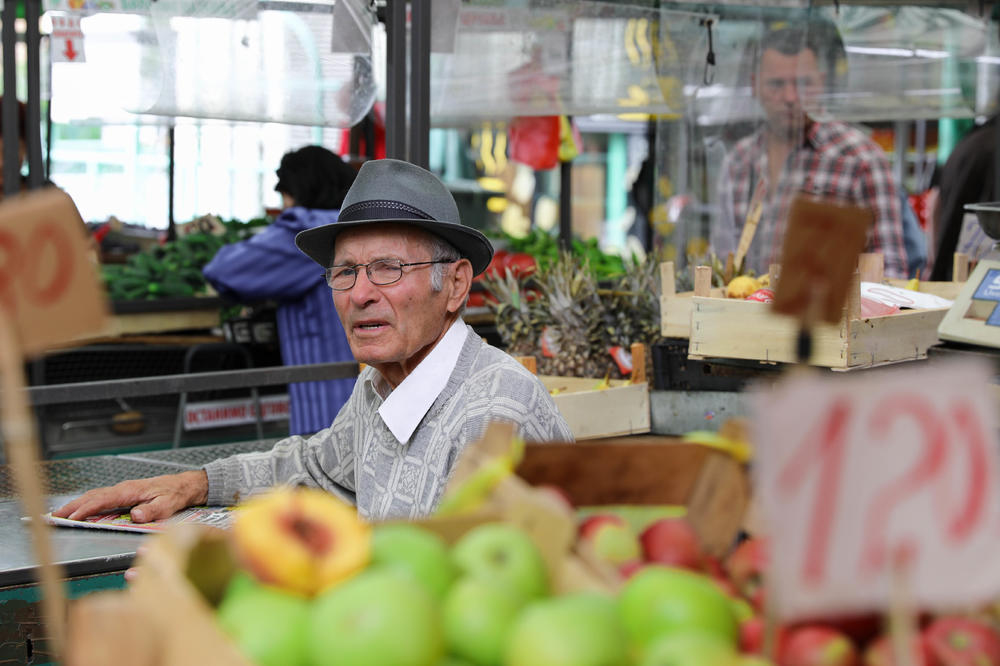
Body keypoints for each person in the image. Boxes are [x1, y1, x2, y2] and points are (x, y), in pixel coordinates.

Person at [54, 158, 573, 523]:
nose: (360, 293)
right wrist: (196, 483)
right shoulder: (380, 386)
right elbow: (316, 468)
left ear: (455, 285)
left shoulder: (495, 417)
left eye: (388, 269)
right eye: (344, 272)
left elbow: (470, 606)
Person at [712, 22, 909, 279]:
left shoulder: (859, 159)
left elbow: (890, 269)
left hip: (833, 318)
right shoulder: (739, 161)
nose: (791, 97)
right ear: (754, 86)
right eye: (776, 84)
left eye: (804, 83)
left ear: (822, 84)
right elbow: (720, 262)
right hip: (745, 315)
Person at [202, 145, 358, 436]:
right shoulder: (362, 225)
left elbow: (225, 271)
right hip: (375, 397)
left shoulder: (304, 233)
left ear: (294, 192)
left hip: (326, 410)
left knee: (322, 477)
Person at [929, 113, 998, 281]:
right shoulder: (987, 143)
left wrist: (934, 260)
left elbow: (934, 204)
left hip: (957, 272)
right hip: (982, 275)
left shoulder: (968, 143)